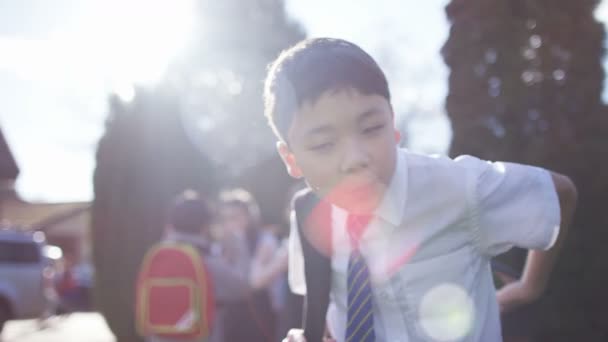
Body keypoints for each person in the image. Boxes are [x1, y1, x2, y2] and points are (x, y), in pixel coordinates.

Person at [261, 38, 578, 341]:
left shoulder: (457, 186)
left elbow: (559, 193)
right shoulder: (308, 214)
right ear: (292, 159)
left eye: (372, 128)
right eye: (323, 144)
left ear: (393, 124)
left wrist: (529, 286)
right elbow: (330, 305)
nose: (355, 159)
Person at [146, 190, 251, 342]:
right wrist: (238, 244)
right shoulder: (206, 261)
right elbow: (242, 288)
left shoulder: (157, 256)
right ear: (204, 226)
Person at [218, 188, 288, 342]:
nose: (231, 223)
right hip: (231, 315)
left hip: (261, 313)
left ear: (249, 216)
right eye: (226, 218)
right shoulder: (221, 245)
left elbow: (255, 282)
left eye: (235, 217)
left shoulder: (265, 240)